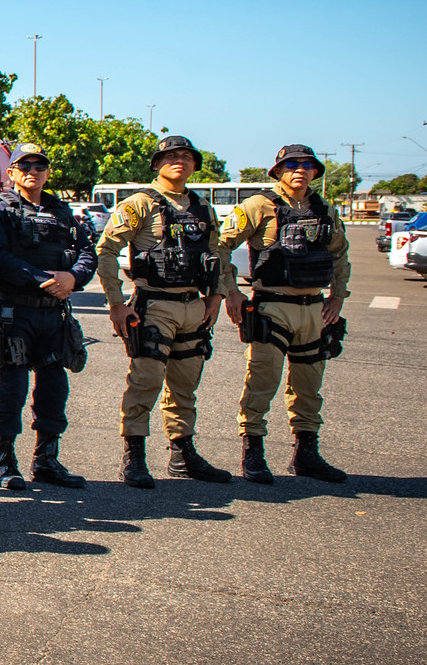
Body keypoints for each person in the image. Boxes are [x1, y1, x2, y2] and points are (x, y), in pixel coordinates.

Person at [94, 135, 235, 488]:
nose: (179, 161)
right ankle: (134, 457)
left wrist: (217, 296)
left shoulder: (204, 208)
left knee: (185, 386)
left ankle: (182, 454)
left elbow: (217, 255)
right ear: (157, 164)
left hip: (194, 306)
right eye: (170, 156)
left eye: (186, 156)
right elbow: (106, 251)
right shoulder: (139, 204)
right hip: (153, 305)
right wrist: (115, 303)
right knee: (146, 382)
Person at [217, 144, 351, 484]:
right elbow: (220, 247)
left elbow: (340, 255)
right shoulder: (257, 206)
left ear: (315, 172)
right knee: (262, 382)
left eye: (307, 165)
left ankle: (306, 454)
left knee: (308, 386)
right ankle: (253, 454)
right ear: (277, 171)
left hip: (313, 309)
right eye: (292, 164)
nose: (300, 170)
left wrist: (337, 296)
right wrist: (230, 292)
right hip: (271, 306)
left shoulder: (325, 210)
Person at [0, 144, 99, 489]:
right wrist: (45, 280)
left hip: (53, 314)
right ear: (12, 172)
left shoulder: (62, 212)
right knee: (11, 387)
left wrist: (73, 278)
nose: (32, 171)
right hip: (16, 310)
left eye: (39, 166)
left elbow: (88, 252)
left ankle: (46, 460)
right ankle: (6, 462)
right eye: (24, 165)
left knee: (54, 388)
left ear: (47, 172)